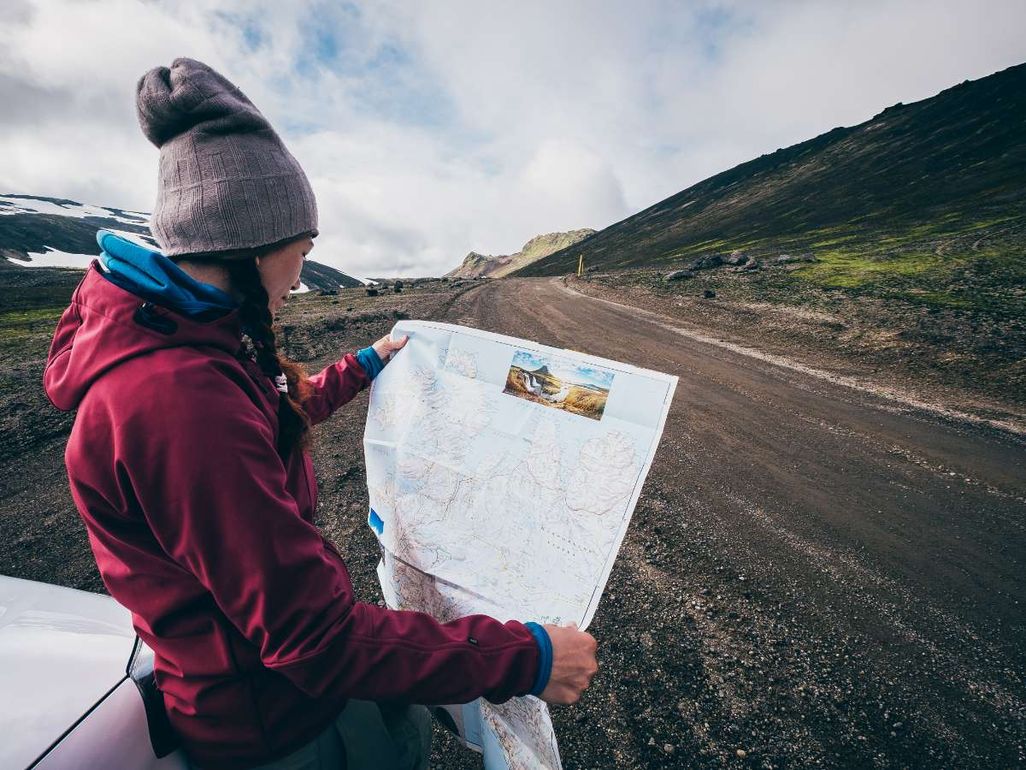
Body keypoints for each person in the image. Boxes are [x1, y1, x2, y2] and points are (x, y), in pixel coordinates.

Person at [43, 58, 598, 770]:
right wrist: (527, 657)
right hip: (282, 727)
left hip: (277, 696)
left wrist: (364, 365)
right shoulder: (177, 404)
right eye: (300, 251)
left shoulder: (182, 336)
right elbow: (316, 639)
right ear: (251, 246)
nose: (301, 276)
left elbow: (268, 407)